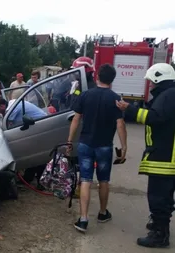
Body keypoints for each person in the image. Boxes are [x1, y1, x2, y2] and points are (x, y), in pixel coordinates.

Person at [116, 63, 175, 248]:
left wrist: (130, 109)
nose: (149, 84)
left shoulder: (168, 95)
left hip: (164, 157)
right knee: (162, 196)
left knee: (159, 196)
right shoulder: (168, 94)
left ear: (158, 78)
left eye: (151, 80)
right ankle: (158, 227)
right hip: (163, 153)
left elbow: (156, 118)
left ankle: (160, 235)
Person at [67, 64, 127, 233]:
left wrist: (70, 140)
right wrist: (124, 147)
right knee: (104, 180)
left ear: (97, 76)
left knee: (85, 180)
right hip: (104, 146)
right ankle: (102, 213)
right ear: (112, 80)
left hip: (85, 144)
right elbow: (120, 124)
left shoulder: (85, 95)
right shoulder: (116, 98)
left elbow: (76, 120)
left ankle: (83, 220)